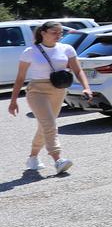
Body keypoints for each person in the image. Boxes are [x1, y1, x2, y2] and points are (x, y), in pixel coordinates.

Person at [7, 21, 91, 175]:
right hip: (37, 91)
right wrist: (13, 101)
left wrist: (86, 87)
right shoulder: (30, 51)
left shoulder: (67, 49)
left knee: (44, 126)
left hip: (58, 91)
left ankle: (33, 157)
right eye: (54, 32)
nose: (58, 36)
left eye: (60, 33)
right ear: (43, 33)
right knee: (49, 124)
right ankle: (58, 159)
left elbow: (78, 70)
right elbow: (20, 78)